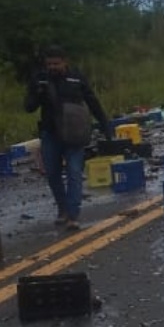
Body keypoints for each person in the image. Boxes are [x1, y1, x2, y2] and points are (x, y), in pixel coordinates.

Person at [25, 45, 112, 230]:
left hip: (74, 133)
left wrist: (105, 124)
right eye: (49, 64)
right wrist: (38, 94)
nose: (53, 67)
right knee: (53, 174)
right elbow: (28, 107)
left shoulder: (77, 78)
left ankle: (73, 214)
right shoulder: (40, 79)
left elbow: (92, 100)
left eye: (56, 63)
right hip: (50, 133)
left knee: (74, 172)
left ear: (65, 61)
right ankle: (62, 209)